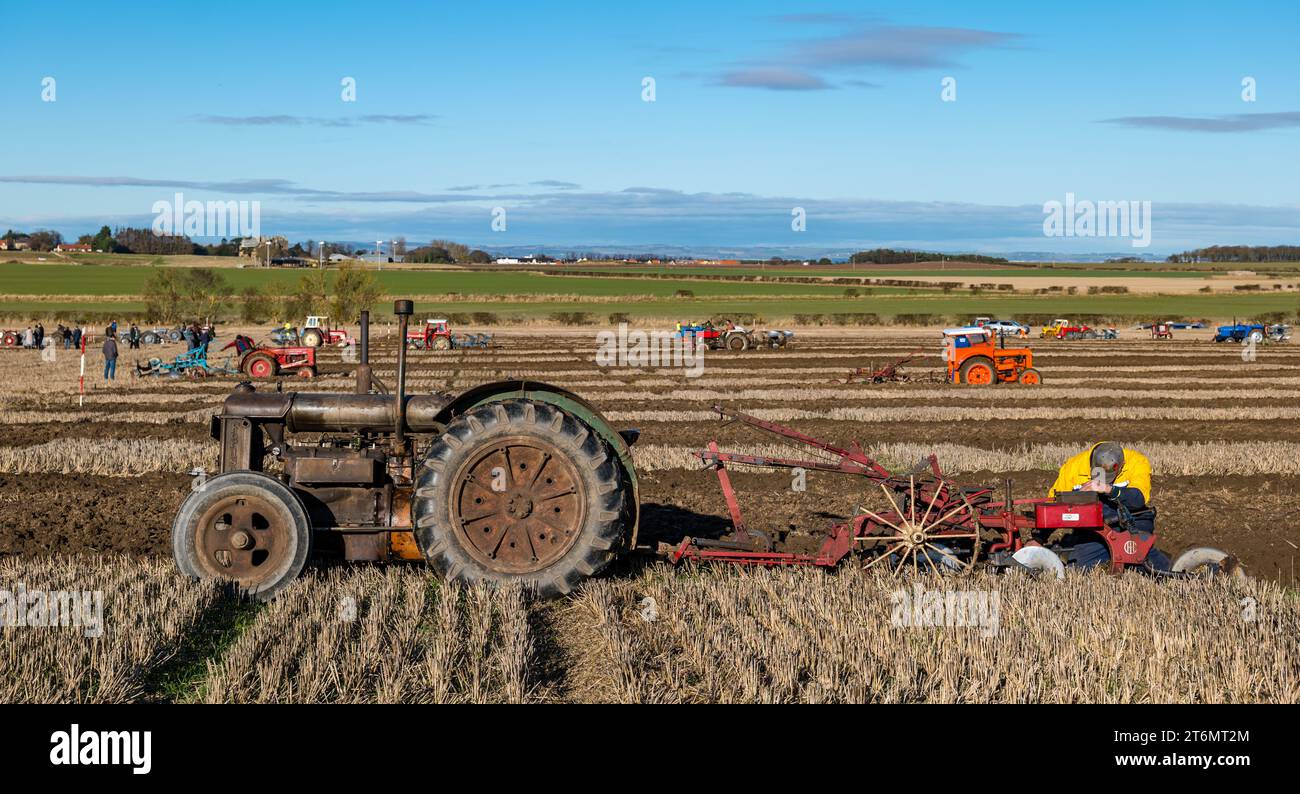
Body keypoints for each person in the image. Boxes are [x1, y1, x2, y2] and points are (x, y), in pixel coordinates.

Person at [1049, 442, 1169, 570]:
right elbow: (1053, 508)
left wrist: (1109, 489)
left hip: (1131, 522)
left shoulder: (1136, 462)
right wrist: (1038, 539)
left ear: (1122, 465)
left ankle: (1167, 565)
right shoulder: (1073, 467)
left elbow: (1138, 500)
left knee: (1142, 559)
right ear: (1092, 464)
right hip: (1094, 530)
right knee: (1078, 568)